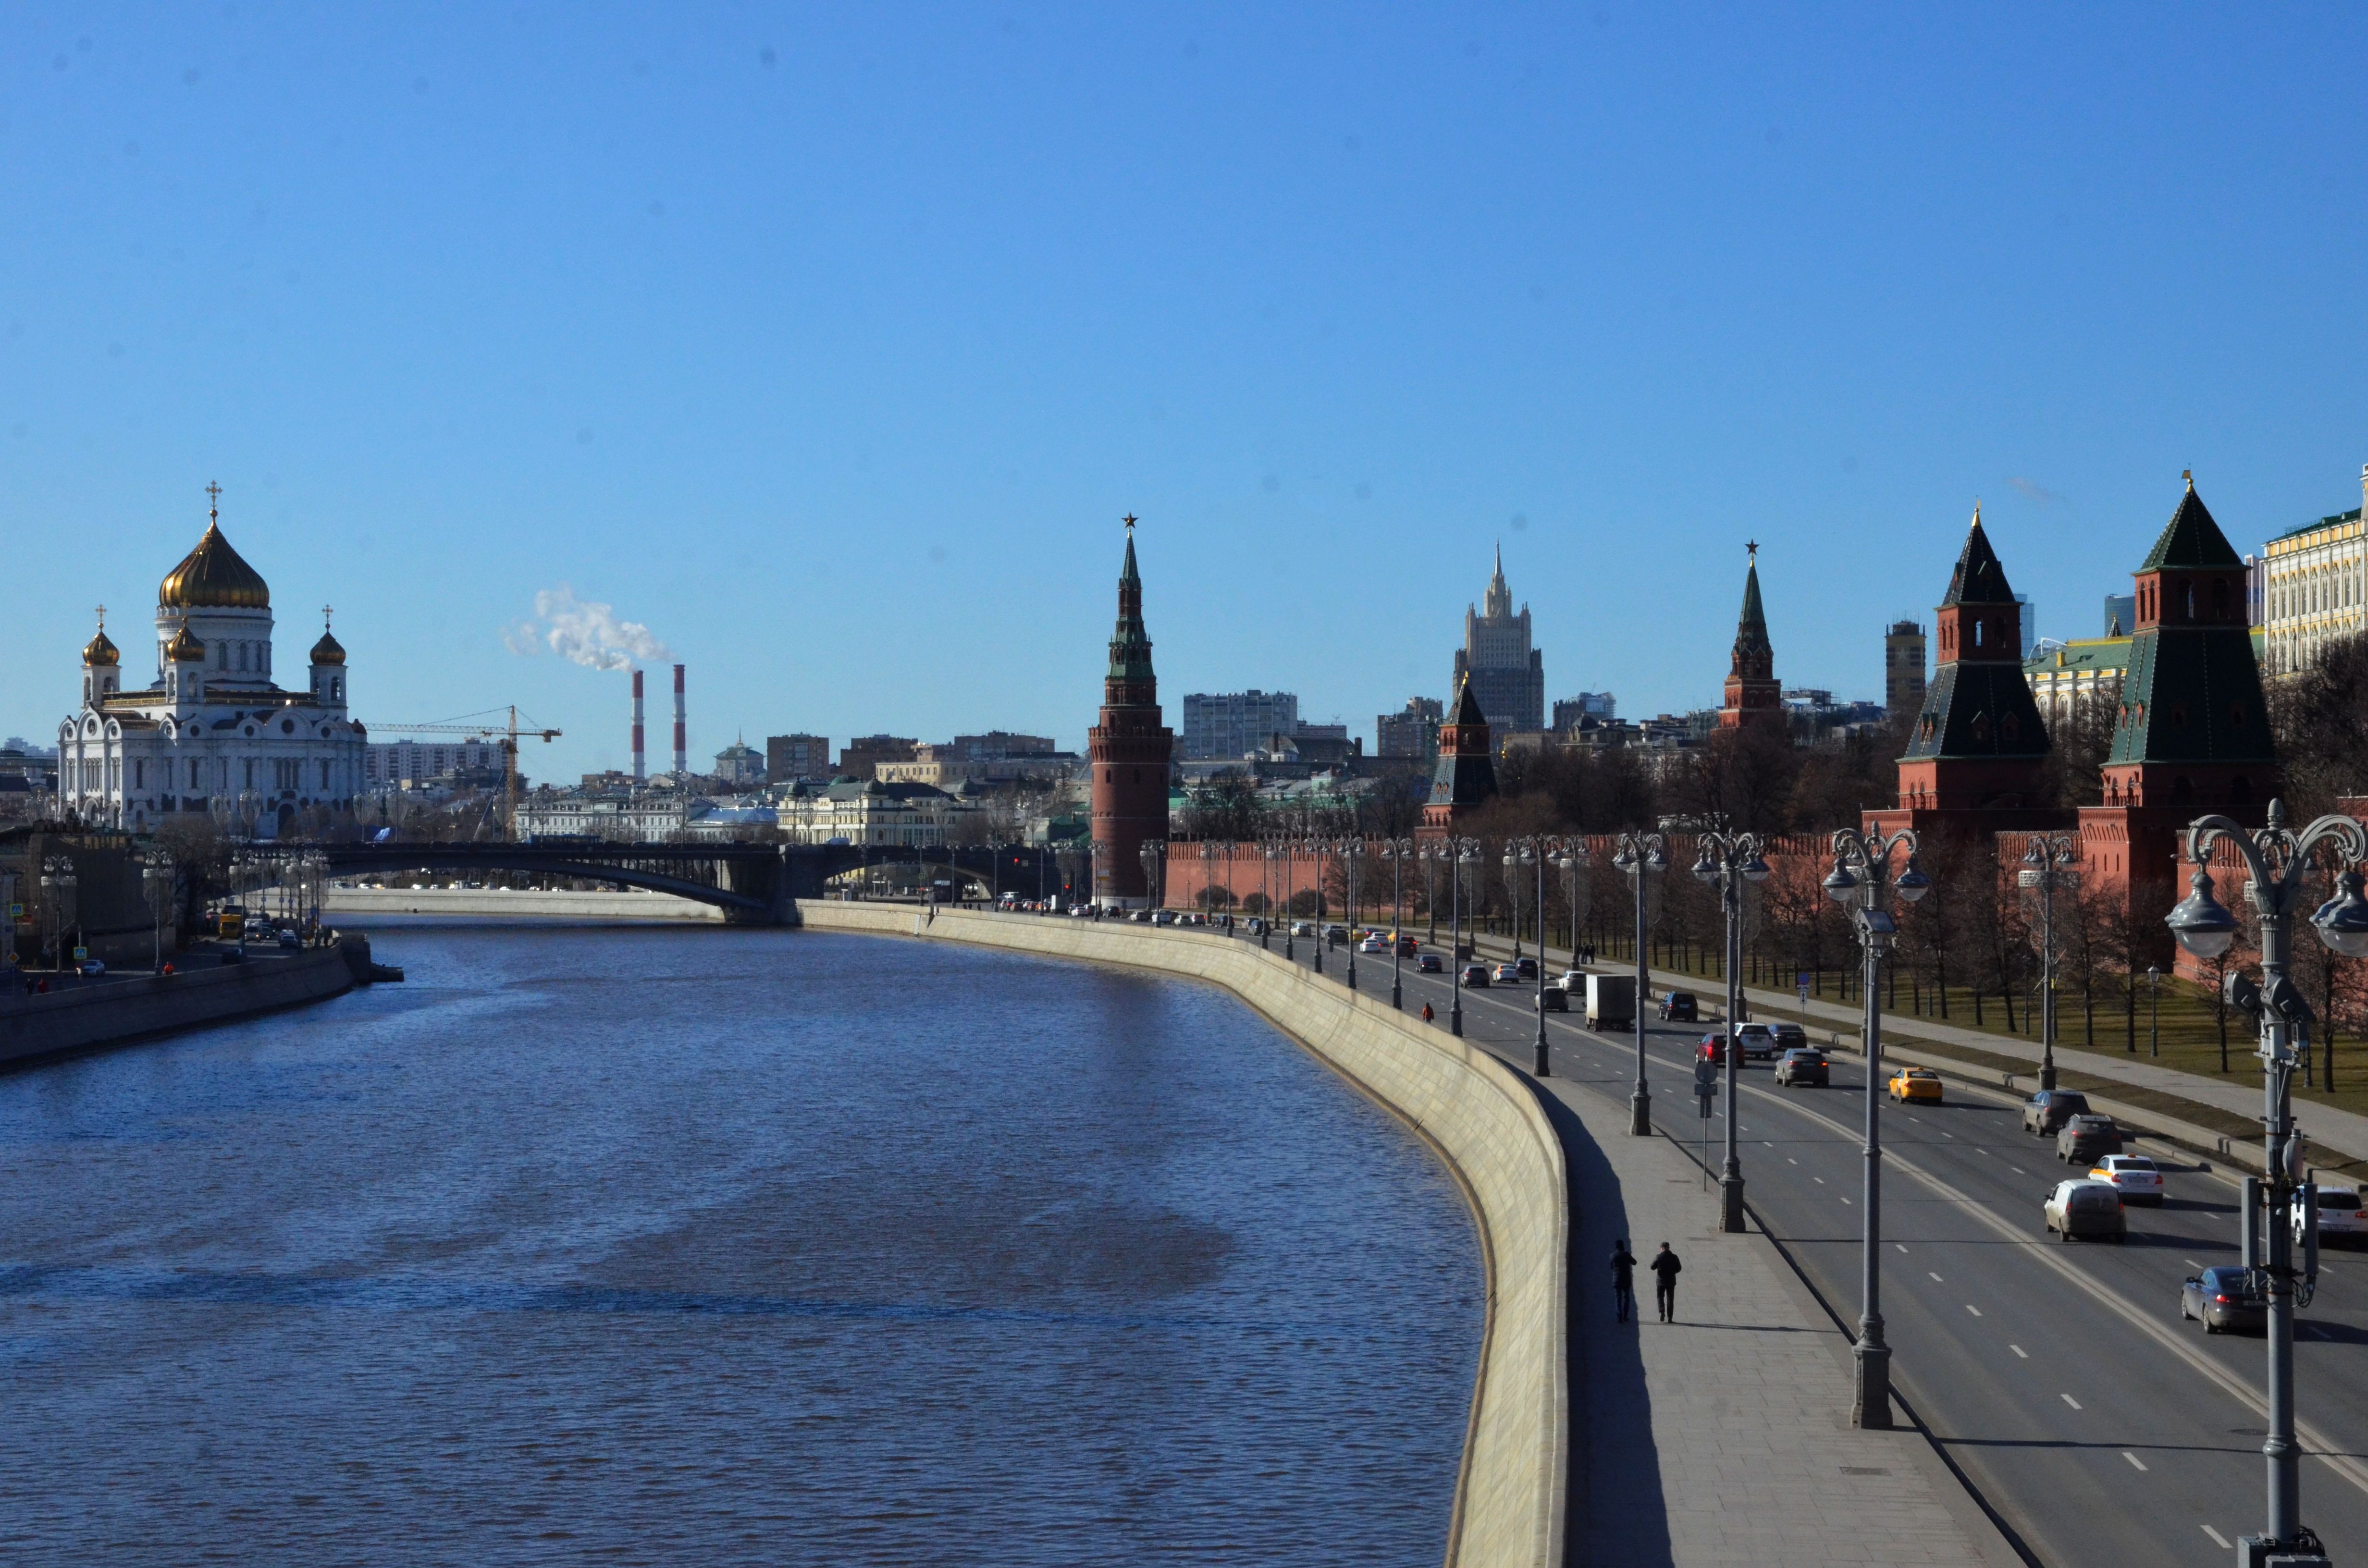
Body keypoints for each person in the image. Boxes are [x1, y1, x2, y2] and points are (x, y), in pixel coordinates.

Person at [1650, 1242, 1682, 1323]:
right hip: (1671, 1280)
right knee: (1670, 1299)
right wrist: (1672, 1272)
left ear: (1662, 1248)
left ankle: (1662, 1311)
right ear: (1669, 1248)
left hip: (1661, 1281)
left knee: (1660, 1296)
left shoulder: (1659, 1257)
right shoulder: (1674, 1257)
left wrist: (1659, 1268)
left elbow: (1652, 1267)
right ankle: (1670, 1318)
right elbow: (1679, 1268)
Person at [1609, 1239, 1638, 1323]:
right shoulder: (1627, 1255)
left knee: (1618, 1298)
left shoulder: (1612, 1256)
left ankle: (1619, 1317)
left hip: (1617, 1280)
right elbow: (1635, 1263)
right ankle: (1625, 1316)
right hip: (1626, 1280)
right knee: (1626, 1298)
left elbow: (1612, 1267)